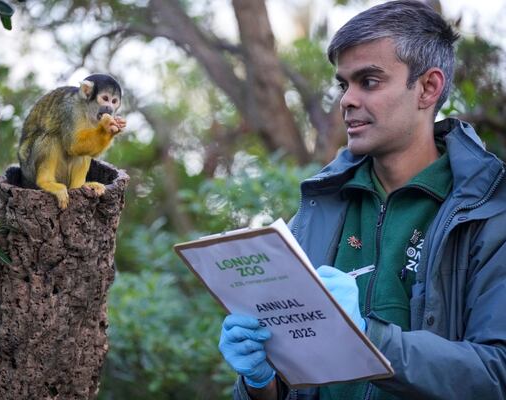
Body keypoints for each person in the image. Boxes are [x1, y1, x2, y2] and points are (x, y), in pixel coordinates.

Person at [217, 1, 506, 399]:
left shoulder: (491, 212)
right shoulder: (318, 210)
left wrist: (370, 338)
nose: (347, 100)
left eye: (369, 81)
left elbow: (496, 376)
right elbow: (295, 378)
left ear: (428, 87)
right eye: (343, 84)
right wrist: (260, 382)